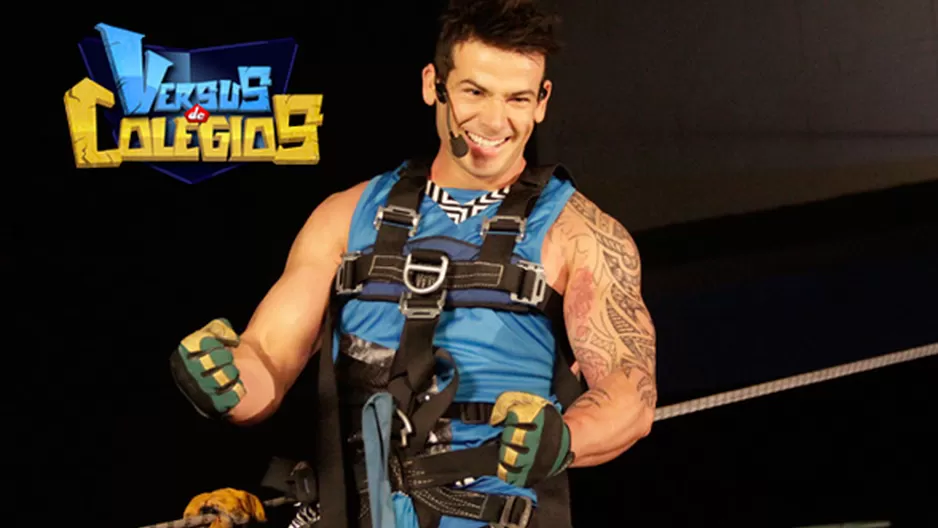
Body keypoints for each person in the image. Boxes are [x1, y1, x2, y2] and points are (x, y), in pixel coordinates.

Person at [171, 1, 657, 527]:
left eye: (517, 98)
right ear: (433, 85)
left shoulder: (578, 234)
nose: (494, 121)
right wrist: (224, 379)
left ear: (542, 102)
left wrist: (565, 438)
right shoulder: (344, 217)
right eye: (474, 92)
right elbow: (267, 360)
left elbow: (630, 390)